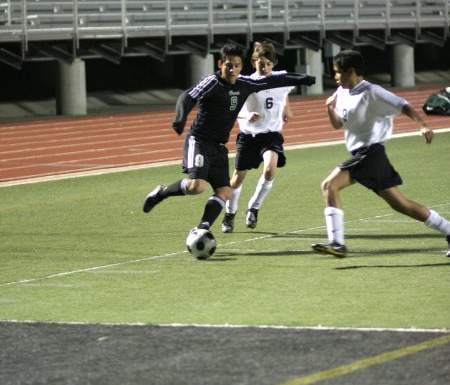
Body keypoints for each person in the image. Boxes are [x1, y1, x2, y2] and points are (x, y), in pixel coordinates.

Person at [142, 42, 316, 234]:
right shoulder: (212, 82)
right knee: (196, 187)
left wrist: (303, 79)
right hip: (199, 140)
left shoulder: (244, 84)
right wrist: (180, 119)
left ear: (241, 67)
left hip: (219, 147)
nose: (232, 69)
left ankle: (202, 229)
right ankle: (162, 192)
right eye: (228, 65)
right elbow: (187, 96)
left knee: (225, 192)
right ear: (220, 64)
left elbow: (272, 81)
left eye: (236, 65)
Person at [312, 49, 450, 258]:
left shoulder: (372, 92)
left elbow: (403, 105)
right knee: (400, 205)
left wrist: (422, 126)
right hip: (368, 156)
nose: (335, 76)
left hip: (370, 153)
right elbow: (337, 124)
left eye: (338, 72)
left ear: (351, 71)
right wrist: (330, 109)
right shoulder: (342, 92)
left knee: (329, 185)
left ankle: (338, 243)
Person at [222, 41, 295, 233]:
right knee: (237, 179)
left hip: (270, 135)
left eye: (268, 64)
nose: (265, 68)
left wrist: (286, 108)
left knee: (270, 170)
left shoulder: (281, 79)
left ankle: (253, 208)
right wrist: (247, 115)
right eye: (261, 64)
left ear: (273, 64)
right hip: (248, 136)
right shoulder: (246, 83)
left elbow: (284, 92)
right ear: (254, 62)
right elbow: (232, 109)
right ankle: (230, 213)